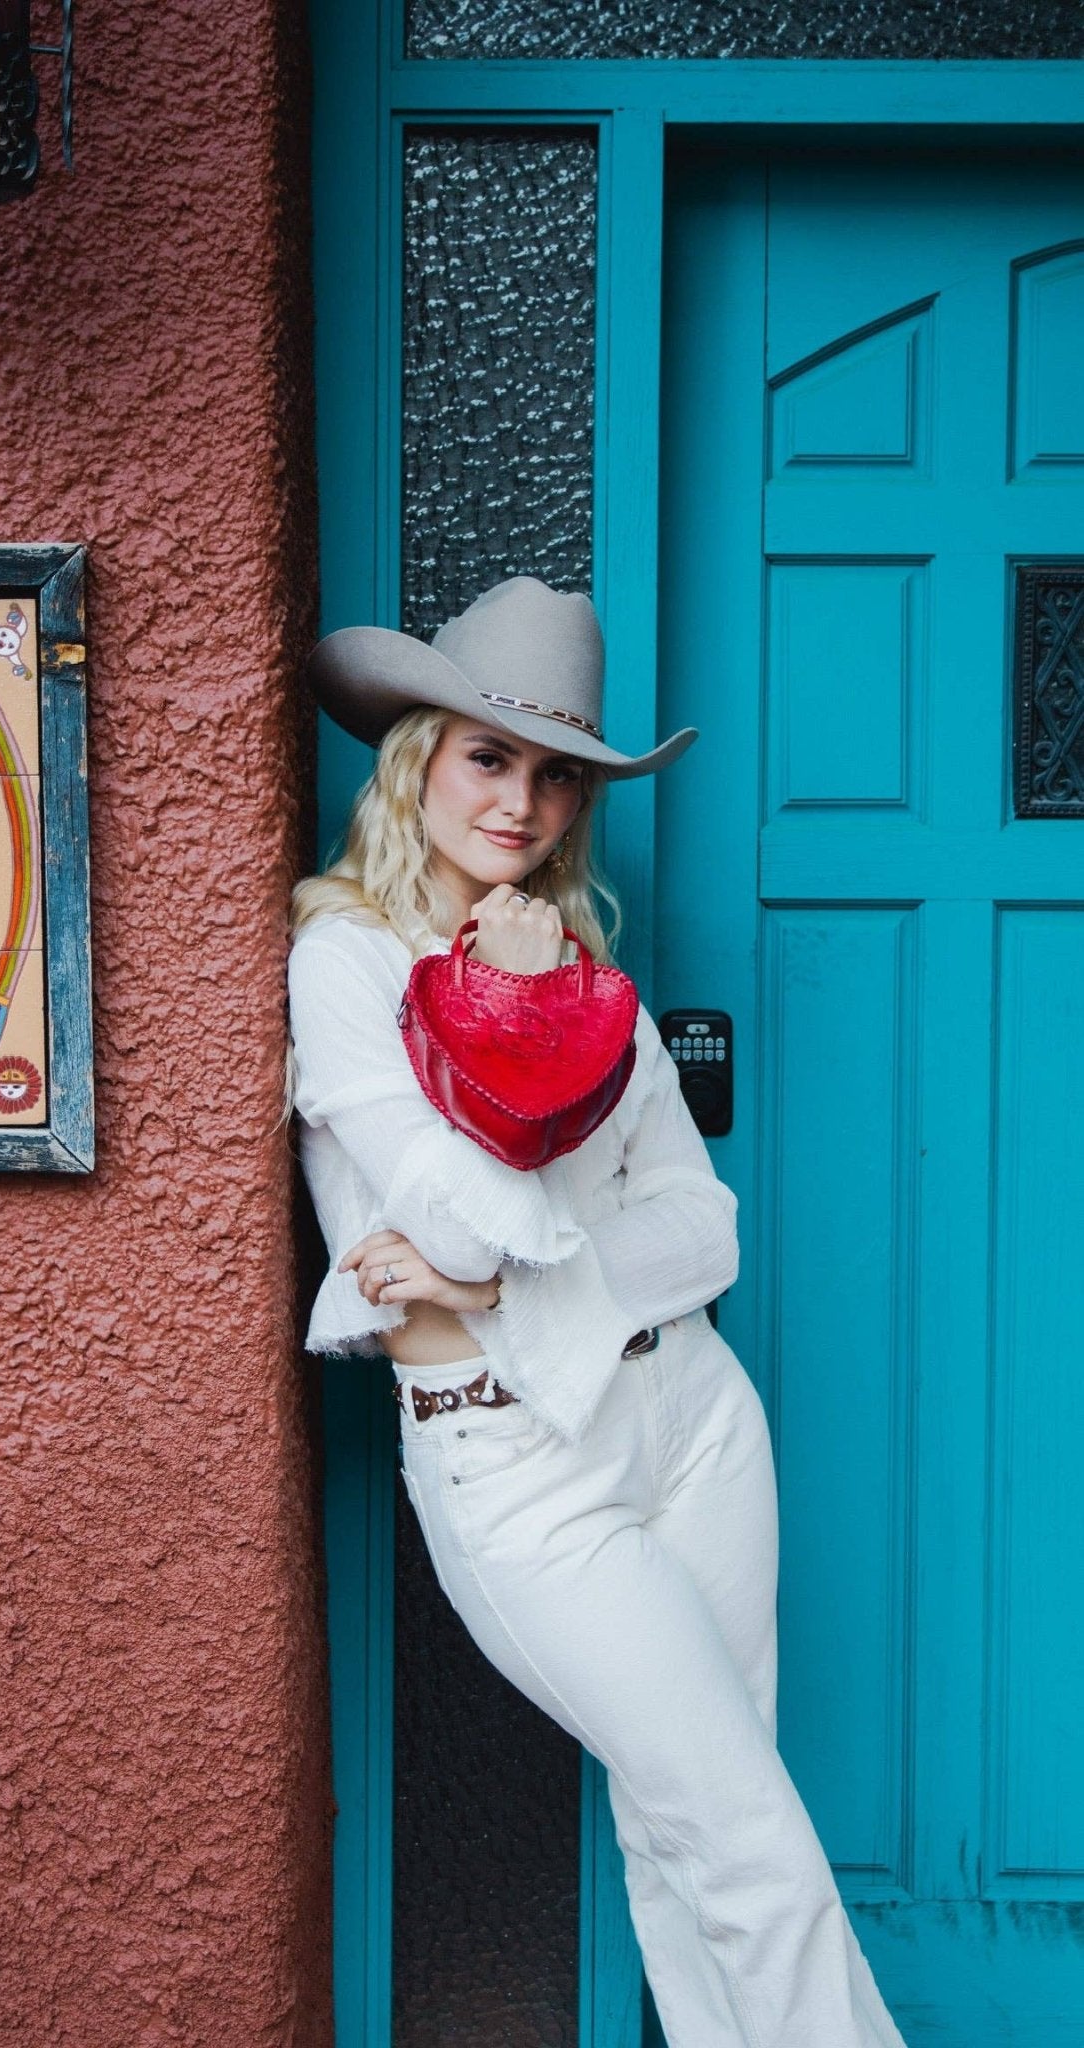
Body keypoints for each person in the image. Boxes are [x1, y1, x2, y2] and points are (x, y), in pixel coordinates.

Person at [284, 575, 908, 2048]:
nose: (521, 802)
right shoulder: (345, 960)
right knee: (749, 1840)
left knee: (692, 1837)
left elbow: (705, 1233)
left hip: (690, 1419)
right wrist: (495, 1028)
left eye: (556, 774)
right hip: (515, 1461)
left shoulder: (592, 986)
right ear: (418, 755)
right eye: (490, 757)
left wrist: (506, 1274)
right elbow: (436, 1208)